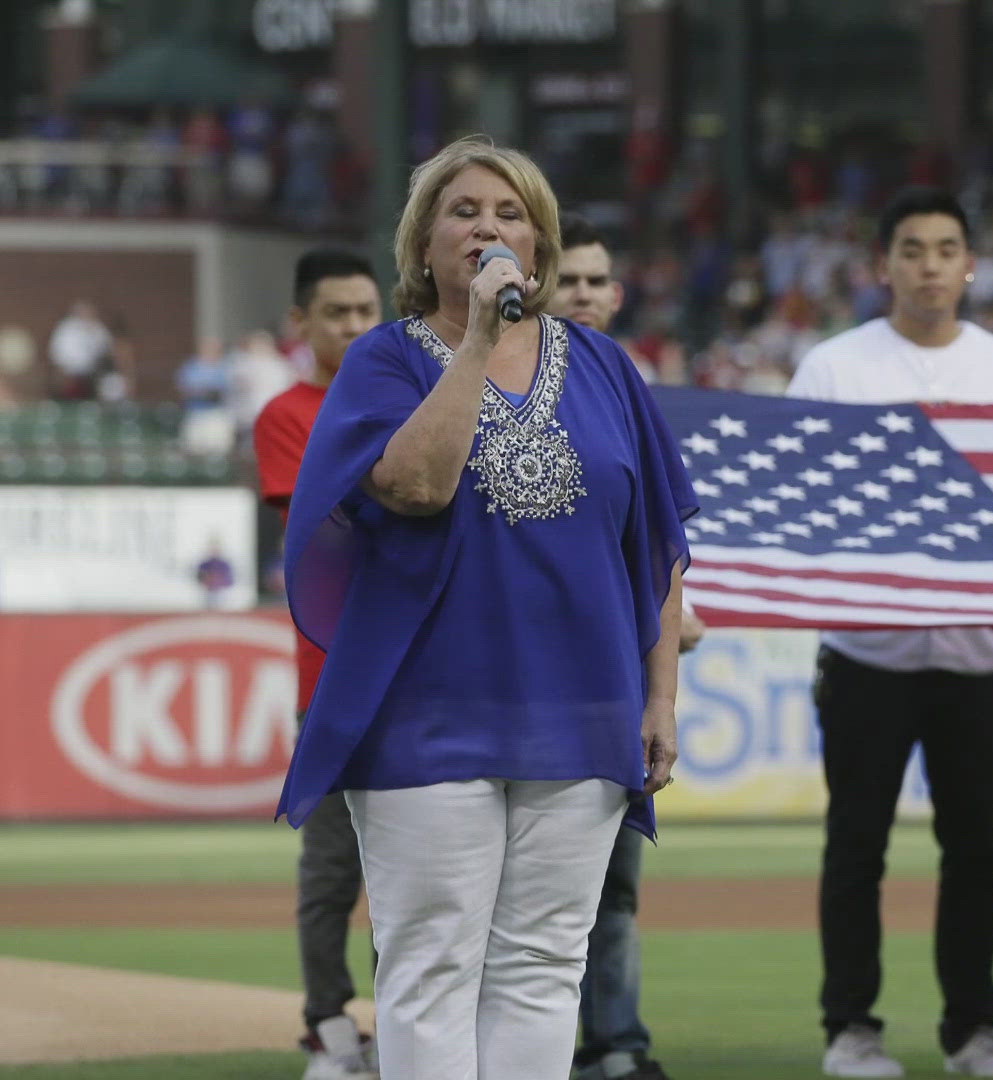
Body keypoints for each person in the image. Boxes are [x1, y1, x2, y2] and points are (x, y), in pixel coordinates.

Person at [276, 135, 697, 1080]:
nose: (488, 228)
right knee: (428, 965)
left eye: (511, 215)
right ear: (422, 245)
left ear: (540, 248)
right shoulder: (386, 362)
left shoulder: (603, 365)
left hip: (581, 707)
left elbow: (660, 545)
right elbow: (416, 485)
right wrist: (474, 338)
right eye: (463, 211)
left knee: (546, 969)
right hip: (425, 710)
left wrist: (659, 697)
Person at [787, 186, 993, 1079]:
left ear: (971, 265)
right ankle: (849, 1029)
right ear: (883, 266)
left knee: (975, 850)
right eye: (912, 249)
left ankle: (974, 1030)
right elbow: (796, 500)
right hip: (867, 653)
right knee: (856, 844)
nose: (930, 265)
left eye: (946, 249)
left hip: (980, 655)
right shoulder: (831, 368)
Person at [554, 213, 707, 1080]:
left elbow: (660, 540)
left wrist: (665, 639)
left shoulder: (631, 392)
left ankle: (615, 1044)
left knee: (610, 886)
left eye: (593, 281)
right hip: (540, 673)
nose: (580, 293)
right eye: (565, 278)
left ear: (616, 296)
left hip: (612, 682)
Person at [253, 248, 384, 1079]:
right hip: (334, 677)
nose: (354, 326)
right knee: (333, 869)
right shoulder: (286, 413)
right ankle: (329, 1029)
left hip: (415, 675)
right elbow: (333, 523)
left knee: (422, 874)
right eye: (336, 312)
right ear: (299, 324)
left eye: (367, 311)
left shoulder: (409, 396)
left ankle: (407, 1030)